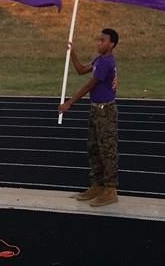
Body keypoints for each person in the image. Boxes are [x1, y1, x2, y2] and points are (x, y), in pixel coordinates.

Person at [58, 28, 119, 207]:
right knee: (93, 148)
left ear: (111, 44)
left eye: (103, 40)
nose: (99, 43)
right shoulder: (99, 59)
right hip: (95, 110)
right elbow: (81, 70)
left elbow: (88, 86)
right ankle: (97, 185)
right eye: (99, 40)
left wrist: (69, 103)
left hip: (105, 111)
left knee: (107, 151)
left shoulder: (107, 63)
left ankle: (110, 190)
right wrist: (72, 53)